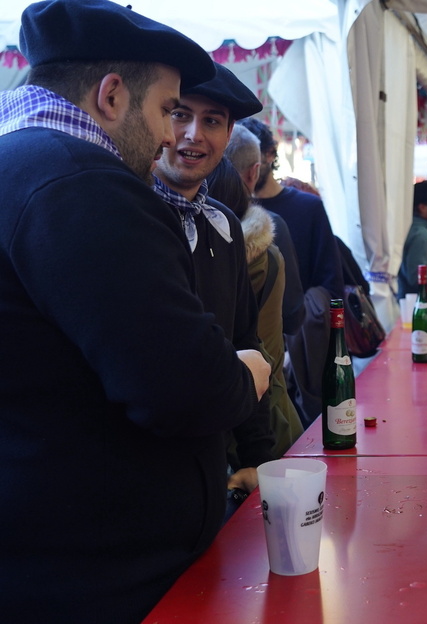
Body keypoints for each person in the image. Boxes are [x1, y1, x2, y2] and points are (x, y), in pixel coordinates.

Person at [0, 1, 270, 621]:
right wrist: (244, 374)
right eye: (166, 110)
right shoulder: (85, 185)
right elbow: (185, 389)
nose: (172, 136)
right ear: (113, 95)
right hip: (100, 577)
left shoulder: (23, 163)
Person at [153, 62, 275, 495]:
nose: (193, 134)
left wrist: (258, 457)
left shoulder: (223, 224)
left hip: (212, 463)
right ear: (158, 120)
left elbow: (245, 341)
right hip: (144, 468)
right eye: (180, 114)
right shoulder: (131, 216)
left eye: (211, 121)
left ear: (228, 134)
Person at [207, 155, 304, 460]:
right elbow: (293, 317)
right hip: (274, 413)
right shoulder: (268, 253)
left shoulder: (217, 258)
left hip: (238, 427)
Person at [237, 117, 343, 299]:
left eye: (250, 156)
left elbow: (332, 285)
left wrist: (304, 313)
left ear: (270, 154)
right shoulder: (231, 210)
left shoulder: (309, 208)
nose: (245, 167)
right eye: (237, 158)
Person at [225, 124, 305, 337]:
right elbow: (292, 314)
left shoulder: (186, 216)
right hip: (260, 353)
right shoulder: (272, 226)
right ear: (254, 172)